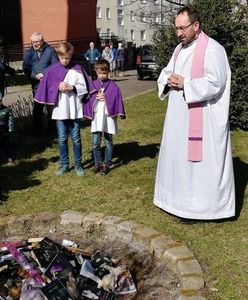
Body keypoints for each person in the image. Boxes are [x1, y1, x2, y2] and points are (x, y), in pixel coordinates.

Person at [154, 6, 235, 221]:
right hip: (179, 117)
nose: (179, 33)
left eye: (183, 28)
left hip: (202, 121)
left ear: (196, 26)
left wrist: (186, 84)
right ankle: (177, 203)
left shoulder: (212, 50)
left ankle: (202, 209)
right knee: (179, 161)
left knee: (199, 167)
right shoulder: (179, 50)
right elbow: (167, 72)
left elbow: (216, 83)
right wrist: (168, 81)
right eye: (176, 29)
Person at [34, 42, 89, 176]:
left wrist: (73, 87)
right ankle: (64, 165)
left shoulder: (77, 69)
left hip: (74, 109)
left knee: (76, 138)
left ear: (71, 56)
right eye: (62, 58)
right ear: (58, 56)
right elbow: (47, 85)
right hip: (60, 110)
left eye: (67, 58)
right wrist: (57, 87)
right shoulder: (52, 70)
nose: (64, 60)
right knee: (62, 138)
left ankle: (78, 164)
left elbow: (85, 87)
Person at [83, 59, 125, 175]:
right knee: (95, 143)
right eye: (100, 73)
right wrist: (96, 98)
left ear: (108, 72)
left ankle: (106, 163)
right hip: (97, 118)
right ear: (96, 72)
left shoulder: (113, 86)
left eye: (104, 73)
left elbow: (116, 99)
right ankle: (97, 163)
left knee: (108, 142)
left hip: (108, 118)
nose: (102, 75)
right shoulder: (93, 85)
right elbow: (88, 99)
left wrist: (106, 98)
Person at [23, 32, 58, 135]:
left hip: (49, 84)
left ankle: (52, 130)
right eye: (33, 42)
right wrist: (35, 76)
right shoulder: (28, 53)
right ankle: (37, 131)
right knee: (37, 109)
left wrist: (44, 75)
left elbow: (55, 66)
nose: (35, 44)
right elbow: (26, 68)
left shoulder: (50, 50)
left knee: (51, 108)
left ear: (42, 40)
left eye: (37, 41)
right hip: (36, 86)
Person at [0, 98, 15, 165]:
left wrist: (10, 129)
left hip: (4, 131)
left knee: (6, 144)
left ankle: (9, 157)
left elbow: (10, 120)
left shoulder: (7, 110)